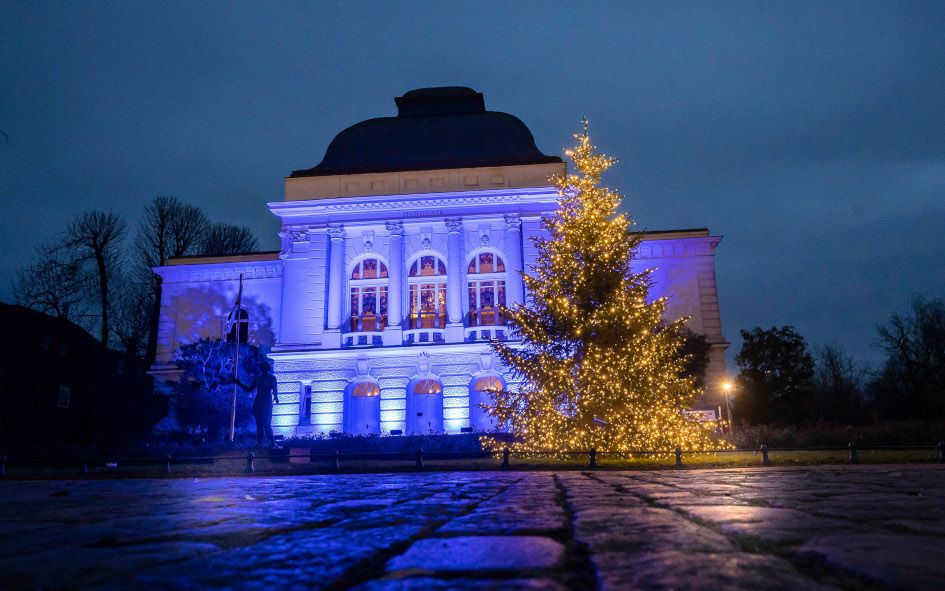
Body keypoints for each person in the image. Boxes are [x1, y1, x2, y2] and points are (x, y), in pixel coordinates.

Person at [229, 360, 280, 447]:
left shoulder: (271, 378)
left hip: (266, 403)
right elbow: (249, 389)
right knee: (260, 424)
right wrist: (238, 383)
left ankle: (272, 442)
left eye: (263, 367)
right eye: (262, 367)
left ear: (266, 368)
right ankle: (261, 443)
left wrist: (276, 397)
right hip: (259, 403)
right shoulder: (259, 379)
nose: (262, 369)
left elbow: (275, 389)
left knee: (266, 424)